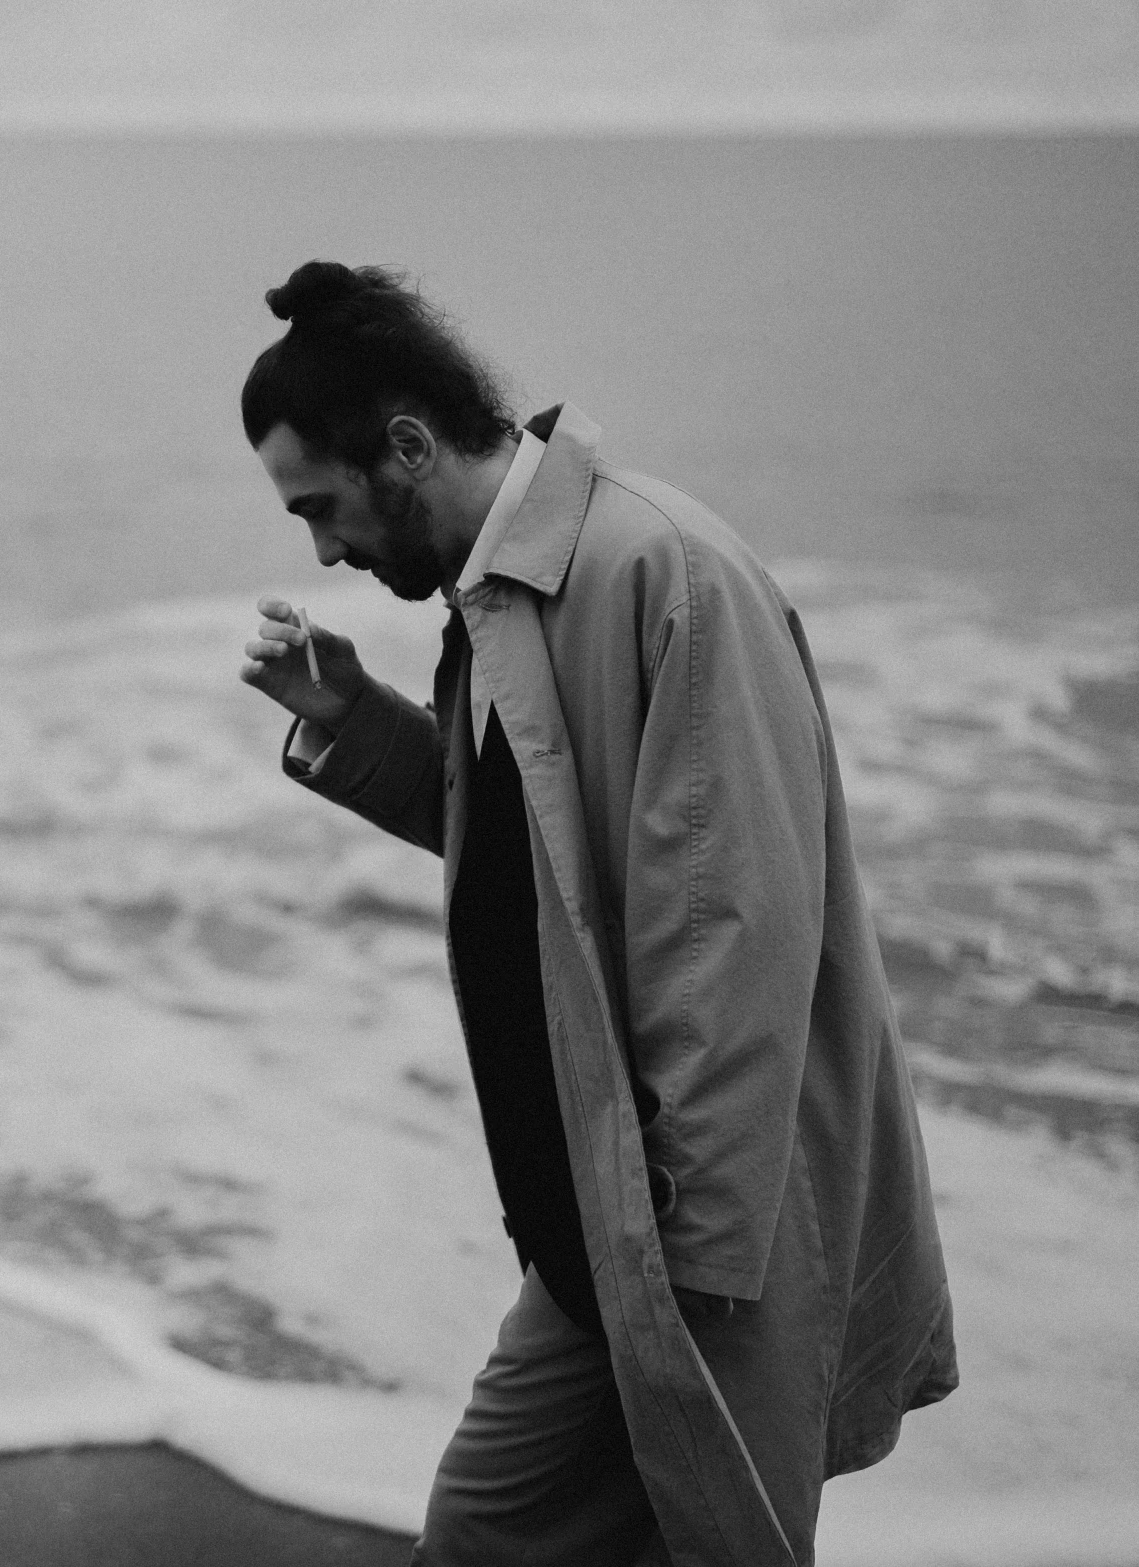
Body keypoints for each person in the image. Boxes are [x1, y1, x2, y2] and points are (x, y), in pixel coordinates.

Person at [235, 262, 955, 1567]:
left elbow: (735, 929)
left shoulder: (653, 571)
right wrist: (351, 724)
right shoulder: (504, 587)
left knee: (504, 1537)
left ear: (404, 444)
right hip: (601, 1215)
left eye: (321, 508)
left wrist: (682, 1249)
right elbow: (538, 857)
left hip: (679, 1229)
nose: (325, 549)